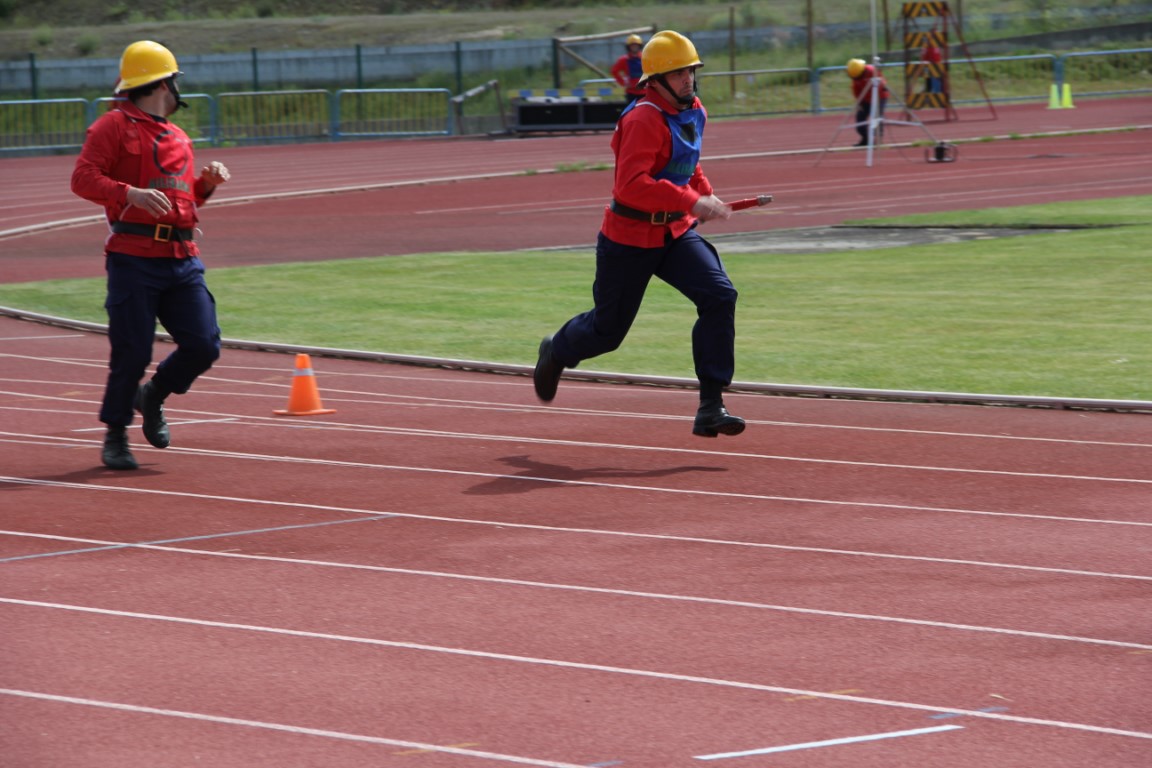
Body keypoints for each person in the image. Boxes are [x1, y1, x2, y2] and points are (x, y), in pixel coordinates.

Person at [533, 30, 745, 439]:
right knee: (607, 333)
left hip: (674, 233)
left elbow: (689, 163)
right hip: (628, 238)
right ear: (656, 80)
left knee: (720, 295)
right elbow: (631, 185)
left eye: (691, 70)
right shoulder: (643, 117)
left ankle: (711, 405)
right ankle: (557, 349)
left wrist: (705, 193)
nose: (688, 79)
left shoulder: (694, 109)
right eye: (678, 72)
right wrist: (691, 200)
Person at [71, 40, 231, 470]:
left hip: (181, 258)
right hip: (133, 258)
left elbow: (182, 200)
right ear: (164, 83)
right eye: (176, 81)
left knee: (204, 345)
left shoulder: (177, 135)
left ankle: (153, 395)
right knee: (132, 351)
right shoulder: (112, 125)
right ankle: (116, 433)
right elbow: (83, 179)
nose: (179, 89)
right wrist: (130, 194)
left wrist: (206, 184)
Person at [846, 57, 890, 147]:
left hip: (879, 97)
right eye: (855, 78)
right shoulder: (856, 78)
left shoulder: (872, 72)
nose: (857, 79)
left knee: (877, 118)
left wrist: (876, 102)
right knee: (860, 120)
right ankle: (866, 139)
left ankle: (878, 139)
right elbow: (856, 90)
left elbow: (882, 84)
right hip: (865, 100)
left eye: (858, 77)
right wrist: (859, 103)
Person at [611, 34, 647, 105]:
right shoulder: (624, 59)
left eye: (636, 45)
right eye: (632, 45)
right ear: (628, 47)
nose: (634, 47)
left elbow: (652, 71)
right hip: (631, 92)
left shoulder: (645, 58)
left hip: (645, 92)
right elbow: (614, 71)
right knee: (631, 113)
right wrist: (623, 82)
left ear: (640, 46)